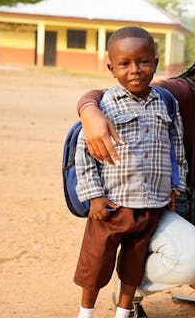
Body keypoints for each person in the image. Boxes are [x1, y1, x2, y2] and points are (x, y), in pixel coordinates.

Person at [76, 21, 195, 317]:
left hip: (184, 198)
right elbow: (110, 91)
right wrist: (88, 111)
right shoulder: (180, 93)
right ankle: (132, 285)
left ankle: (166, 276)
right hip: (143, 200)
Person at [73, 26, 187, 318]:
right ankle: (85, 312)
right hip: (112, 204)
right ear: (112, 68)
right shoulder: (105, 105)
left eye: (143, 62)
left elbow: (177, 147)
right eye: (125, 64)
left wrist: (177, 185)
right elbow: (85, 154)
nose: (135, 70)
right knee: (96, 263)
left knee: (133, 266)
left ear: (156, 63)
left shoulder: (166, 104)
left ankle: (123, 311)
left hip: (151, 205)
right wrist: (94, 197)